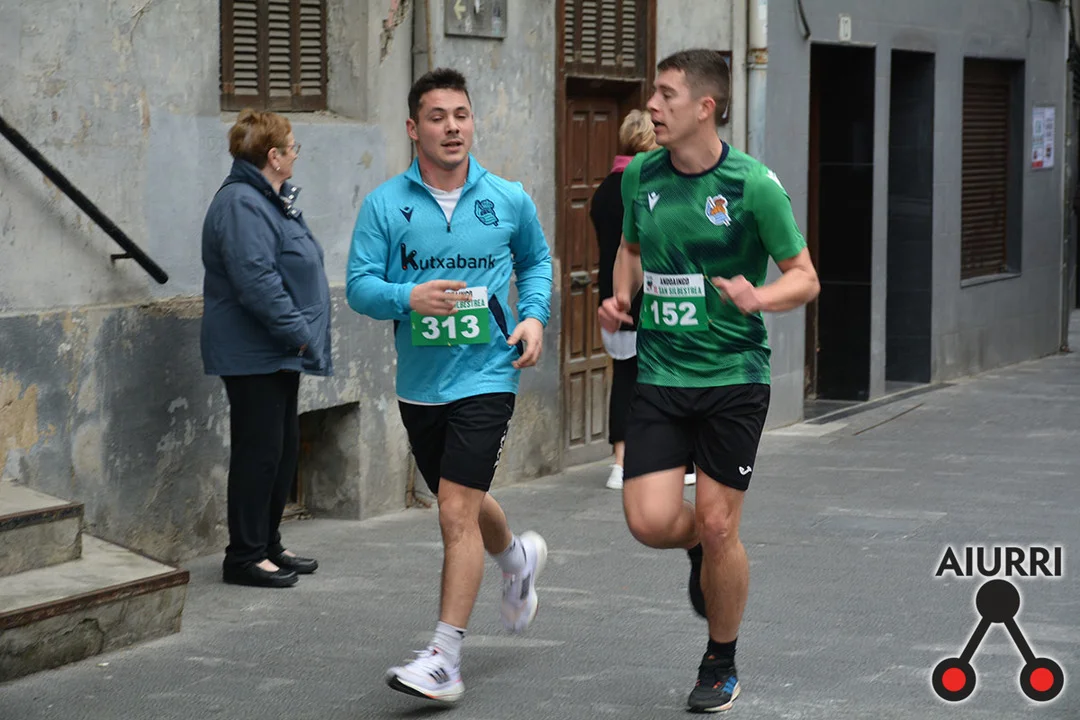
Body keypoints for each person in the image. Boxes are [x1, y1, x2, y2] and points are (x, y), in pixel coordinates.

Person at [598, 49, 820, 713]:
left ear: (706, 107)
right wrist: (622, 297)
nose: (652, 106)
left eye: (666, 95)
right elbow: (630, 250)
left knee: (722, 524)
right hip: (661, 374)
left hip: (733, 376)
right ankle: (700, 544)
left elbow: (805, 277)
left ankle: (720, 661)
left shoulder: (754, 186)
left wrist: (760, 297)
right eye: (653, 93)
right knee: (647, 521)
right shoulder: (641, 176)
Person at [346, 68, 553, 704]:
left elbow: (535, 262)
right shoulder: (386, 205)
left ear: (473, 122)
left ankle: (444, 657)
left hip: (489, 372)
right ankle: (516, 559)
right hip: (421, 384)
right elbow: (359, 286)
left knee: (454, 511)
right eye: (437, 117)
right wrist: (408, 297)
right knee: (458, 498)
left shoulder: (507, 198)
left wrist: (533, 317)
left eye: (461, 115)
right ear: (415, 128)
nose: (452, 127)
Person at [201, 109, 331, 588]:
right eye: (293, 148)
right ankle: (244, 556)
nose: (296, 155)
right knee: (258, 453)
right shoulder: (242, 204)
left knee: (280, 450)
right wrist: (299, 332)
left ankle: (267, 543)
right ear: (273, 156)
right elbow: (256, 280)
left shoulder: (268, 199)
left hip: (277, 350)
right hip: (254, 351)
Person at [590, 110, 696, 491]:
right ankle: (680, 460)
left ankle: (620, 463)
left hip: (613, 295)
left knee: (624, 375)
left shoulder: (603, 190)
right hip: (657, 291)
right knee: (670, 374)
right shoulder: (653, 186)